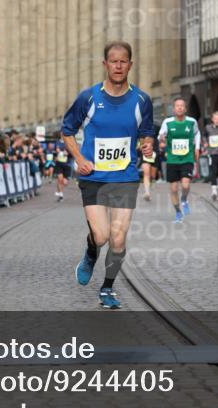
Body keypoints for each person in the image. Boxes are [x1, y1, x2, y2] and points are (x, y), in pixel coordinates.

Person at [62, 41, 155, 309]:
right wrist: (80, 159)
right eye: (113, 61)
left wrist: (147, 143)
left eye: (123, 61)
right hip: (94, 178)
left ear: (130, 65)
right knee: (101, 236)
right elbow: (67, 130)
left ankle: (107, 288)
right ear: (105, 64)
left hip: (125, 177)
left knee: (118, 239)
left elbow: (146, 132)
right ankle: (91, 252)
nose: (118, 65)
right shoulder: (88, 98)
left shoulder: (142, 101)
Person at [159, 98, 201, 223]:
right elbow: (161, 135)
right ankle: (178, 212)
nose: (179, 108)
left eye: (182, 106)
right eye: (177, 106)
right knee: (173, 189)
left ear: (185, 109)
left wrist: (197, 148)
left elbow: (197, 134)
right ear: (174, 108)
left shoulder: (192, 122)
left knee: (185, 185)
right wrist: (162, 139)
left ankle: (184, 199)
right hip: (172, 159)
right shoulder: (167, 122)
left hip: (187, 157)